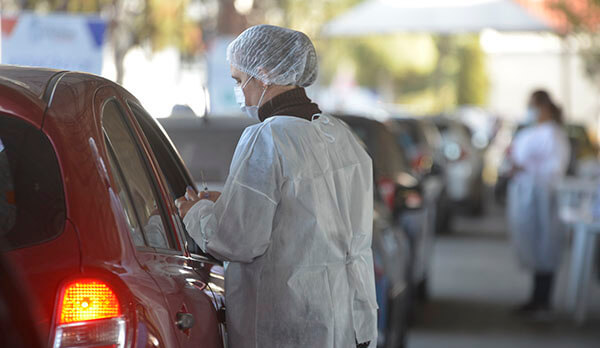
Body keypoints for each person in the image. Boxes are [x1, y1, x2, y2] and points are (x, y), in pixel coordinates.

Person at [175, 25, 377, 348]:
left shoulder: (267, 138)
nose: (241, 93)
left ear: (264, 73)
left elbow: (238, 240)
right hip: (345, 322)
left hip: (288, 326)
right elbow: (308, 213)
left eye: (240, 81)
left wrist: (195, 211)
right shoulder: (340, 137)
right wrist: (230, 200)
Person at [507, 90, 570, 315]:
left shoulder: (554, 135)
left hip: (543, 198)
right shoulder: (533, 132)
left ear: (543, 107)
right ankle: (536, 298)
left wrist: (526, 168)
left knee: (545, 247)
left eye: (532, 105)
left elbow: (555, 169)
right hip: (527, 197)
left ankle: (543, 301)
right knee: (534, 248)